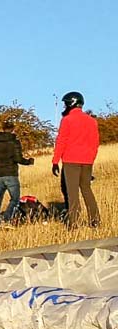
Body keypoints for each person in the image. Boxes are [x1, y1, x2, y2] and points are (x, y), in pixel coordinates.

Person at [51, 91, 101, 228]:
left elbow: (61, 141)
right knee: (86, 189)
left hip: (71, 160)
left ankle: (73, 223)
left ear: (70, 104)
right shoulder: (92, 121)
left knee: (72, 193)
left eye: (65, 104)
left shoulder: (67, 120)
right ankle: (95, 220)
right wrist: (91, 159)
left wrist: (55, 161)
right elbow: (95, 143)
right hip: (87, 161)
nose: (64, 107)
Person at [0, 120, 33, 228]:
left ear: (3, 128)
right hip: (11, 174)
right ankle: (6, 219)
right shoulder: (14, 142)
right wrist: (29, 161)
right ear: (13, 129)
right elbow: (18, 158)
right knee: (15, 199)